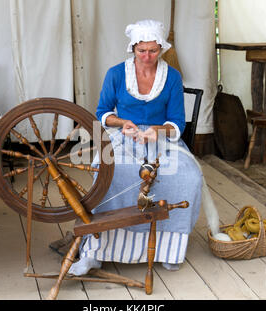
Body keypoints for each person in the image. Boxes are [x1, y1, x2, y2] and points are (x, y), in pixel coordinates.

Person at [69, 19, 219, 276]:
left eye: (153, 50)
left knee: (189, 176)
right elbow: (103, 114)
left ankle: (168, 249)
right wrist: (123, 122)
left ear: (161, 48)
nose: (148, 56)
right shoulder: (116, 74)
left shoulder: (172, 76)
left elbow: (177, 123)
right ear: (132, 48)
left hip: (161, 139)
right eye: (142, 51)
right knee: (107, 173)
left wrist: (157, 131)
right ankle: (96, 251)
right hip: (123, 136)